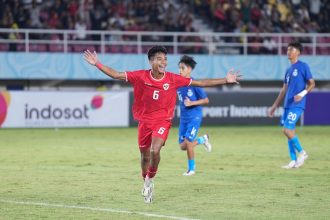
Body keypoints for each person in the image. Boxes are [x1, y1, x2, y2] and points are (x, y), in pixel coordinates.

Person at [83, 46, 241, 203]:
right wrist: (98, 64)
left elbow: (201, 82)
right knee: (144, 157)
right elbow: (116, 74)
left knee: (155, 149)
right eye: (159, 59)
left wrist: (225, 80)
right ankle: (146, 182)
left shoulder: (173, 79)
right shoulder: (140, 76)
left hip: (163, 121)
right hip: (144, 122)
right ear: (151, 61)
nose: (163, 62)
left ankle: (150, 179)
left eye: (165, 59)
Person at [268, 42, 315, 169]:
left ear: (298, 52)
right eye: (288, 49)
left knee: (286, 130)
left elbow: (312, 83)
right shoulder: (288, 70)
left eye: (291, 49)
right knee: (290, 132)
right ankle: (293, 161)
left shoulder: (303, 66)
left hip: (297, 105)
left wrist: (302, 94)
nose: (288, 51)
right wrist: (274, 106)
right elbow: (283, 90)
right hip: (288, 105)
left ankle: (303, 153)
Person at [177, 55, 212, 176]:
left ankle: (191, 169)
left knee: (188, 141)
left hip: (194, 116)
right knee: (183, 146)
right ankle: (203, 139)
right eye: (179, 68)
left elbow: (206, 100)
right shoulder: (177, 83)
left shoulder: (195, 84)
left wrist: (192, 103)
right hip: (184, 119)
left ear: (189, 70)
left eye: (182, 68)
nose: (180, 70)